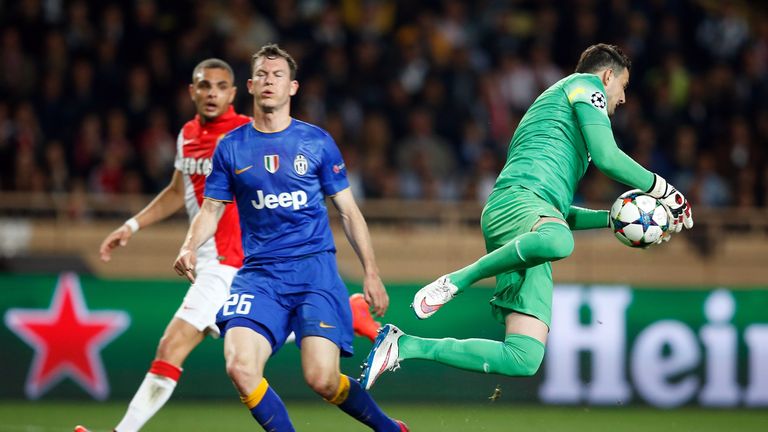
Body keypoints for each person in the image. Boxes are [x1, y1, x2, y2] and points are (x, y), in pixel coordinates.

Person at [360, 43, 694, 390]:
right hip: (516, 204)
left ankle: (404, 345)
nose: (623, 99)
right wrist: (667, 191)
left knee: (524, 357)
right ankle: (459, 279)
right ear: (608, 76)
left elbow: (560, 212)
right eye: (624, 86)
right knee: (560, 240)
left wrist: (611, 220)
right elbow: (609, 157)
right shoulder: (584, 86)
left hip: (532, 222)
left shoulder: (567, 130)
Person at [75, 59, 380, 432]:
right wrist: (134, 225)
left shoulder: (262, 134)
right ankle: (348, 311)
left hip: (231, 262)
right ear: (193, 91)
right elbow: (181, 192)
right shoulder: (192, 136)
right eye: (205, 86)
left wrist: (367, 269)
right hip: (235, 267)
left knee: (176, 346)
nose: (212, 94)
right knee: (243, 360)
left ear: (237, 92)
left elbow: (342, 208)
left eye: (221, 86)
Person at [172, 44, 407, 432]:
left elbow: (349, 211)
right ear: (249, 85)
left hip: (314, 274)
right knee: (239, 366)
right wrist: (188, 246)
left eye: (277, 75)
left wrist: (371, 272)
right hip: (260, 276)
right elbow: (211, 209)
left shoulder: (315, 142)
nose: (269, 81)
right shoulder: (231, 147)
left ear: (292, 87)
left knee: (322, 379)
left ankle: (388, 428)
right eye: (262, 75)